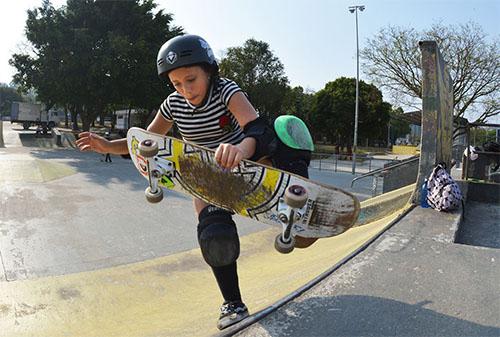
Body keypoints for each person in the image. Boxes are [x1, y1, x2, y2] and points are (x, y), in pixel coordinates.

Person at [76, 34, 313, 330]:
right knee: (215, 239)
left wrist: (239, 150)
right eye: (177, 84)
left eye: (191, 80)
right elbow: (146, 140)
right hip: (207, 176)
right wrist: (108, 146)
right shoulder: (173, 105)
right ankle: (234, 304)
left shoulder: (226, 90)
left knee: (279, 130)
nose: (186, 90)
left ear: (209, 71)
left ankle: (299, 200)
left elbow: (254, 129)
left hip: (247, 162)